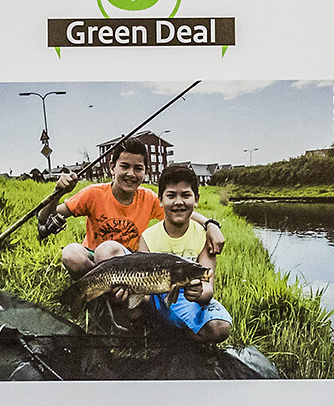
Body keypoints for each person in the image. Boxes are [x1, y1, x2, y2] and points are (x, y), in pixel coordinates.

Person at [139, 165, 233, 341]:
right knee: (134, 309)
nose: (178, 202)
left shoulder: (205, 237)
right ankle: (158, 328)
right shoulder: (148, 237)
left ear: (196, 199)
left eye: (186, 195)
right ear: (160, 200)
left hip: (187, 299)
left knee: (220, 328)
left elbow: (208, 288)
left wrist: (199, 293)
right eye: (171, 195)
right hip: (156, 297)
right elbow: (143, 293)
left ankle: (180, 332)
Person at [52, 142, 159, 278]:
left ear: (146, 172)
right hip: (94, 257)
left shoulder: (149, 198)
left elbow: (180, 218)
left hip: (129, 262)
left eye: (138, 168)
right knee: (71, 254)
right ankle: (101, 284)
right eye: (124, 166)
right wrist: (58, 192)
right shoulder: (94, 193)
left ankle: (99, 285)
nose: (131, 174)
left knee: (107, 250)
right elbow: (46, 217)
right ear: (112, 168)